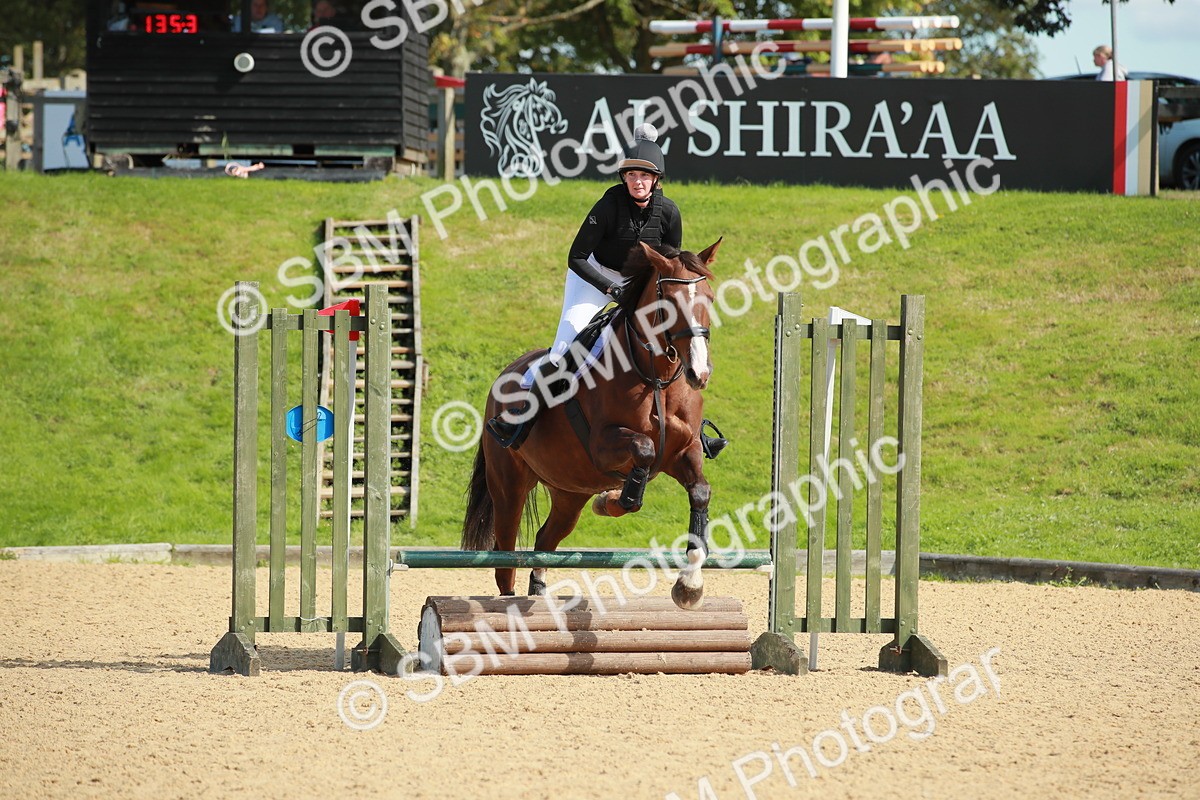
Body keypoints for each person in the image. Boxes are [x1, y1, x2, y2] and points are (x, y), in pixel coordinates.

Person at [486, 124, 683, 447]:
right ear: (624, 178)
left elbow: (669, 266)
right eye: (631, 175)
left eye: (644, 176)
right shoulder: (607, 206)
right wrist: (609, 288)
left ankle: (692, 428)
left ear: (656, 180)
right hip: (593, 276)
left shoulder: (669, 213)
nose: (637, 182)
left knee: (675, 341)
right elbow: (575, 257)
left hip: (638, 283)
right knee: (565, 346)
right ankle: (520, 418)